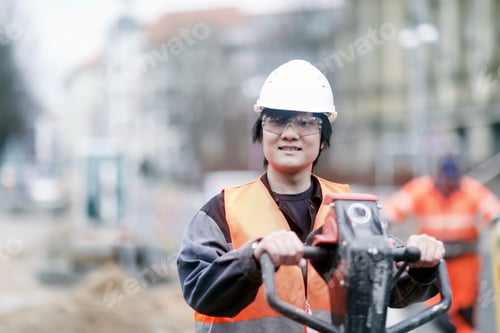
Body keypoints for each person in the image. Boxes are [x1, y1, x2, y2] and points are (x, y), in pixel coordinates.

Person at [177, 59, 446, 333]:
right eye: (277, 121)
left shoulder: (352, 211)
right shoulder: (222, 212)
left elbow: (390, 288)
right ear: (261, 130)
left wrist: (420, 265)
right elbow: (200, 291)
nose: (290, 134)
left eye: (306, 122)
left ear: (323, 136)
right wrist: (254, 257)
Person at [383, 156, 500, 333]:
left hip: (465, 262)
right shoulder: (421, 189)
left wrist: (496, 221)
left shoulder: (471, 189)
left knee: (465, 310)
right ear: (438, 176)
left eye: (453, 180)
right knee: (439, 311)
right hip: (434, 261)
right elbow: (395, 207)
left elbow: (491, 208)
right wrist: (382, 224)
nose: (449, 184)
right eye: (447, 179)